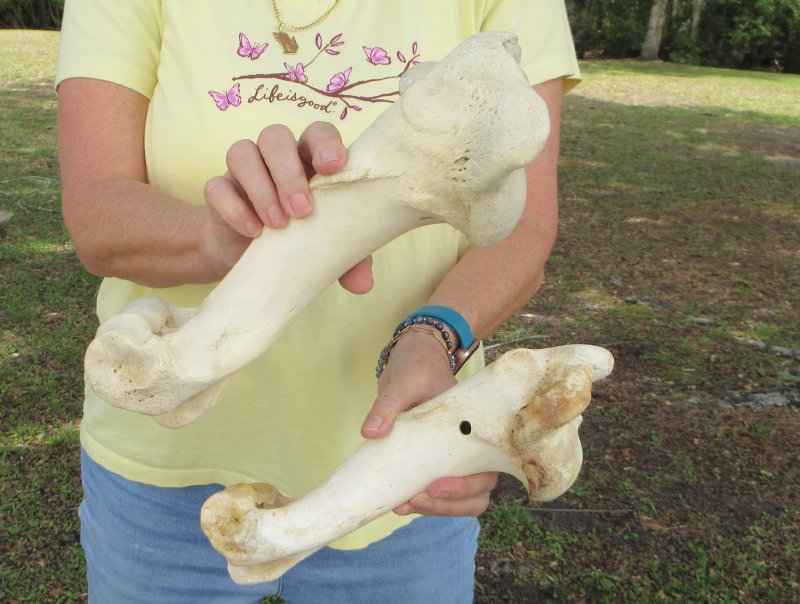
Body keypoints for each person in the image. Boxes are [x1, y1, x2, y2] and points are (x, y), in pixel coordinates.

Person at [56, 1, 580, 601]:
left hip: (401, 477)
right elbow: (97, 209)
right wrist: (216, 237)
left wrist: (435, 336)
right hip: (159, 477)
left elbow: (525, 224)